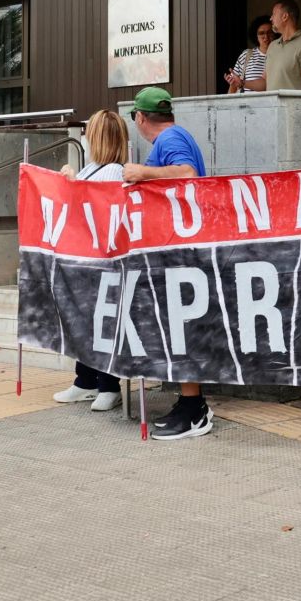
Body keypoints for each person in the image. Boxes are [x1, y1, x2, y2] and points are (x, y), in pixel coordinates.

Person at [123, 88, 211, 439]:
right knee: (179, 327)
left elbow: (188, 174)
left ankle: (195, 411)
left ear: (141, 117)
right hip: (178, 247)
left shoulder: (170, 139)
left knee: (182, 326)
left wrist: (142, 173)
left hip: (181, 249)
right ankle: (190, 403)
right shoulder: (177, 136)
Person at [55, 110, 131, 413]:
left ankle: (108, 385)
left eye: (89, 133)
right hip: (85, 257)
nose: (85, 138)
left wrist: (73, 184)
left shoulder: (112, 171)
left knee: (100, 323)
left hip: (102, 260)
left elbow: (96, 207)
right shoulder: (93, 168)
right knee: (84, 320)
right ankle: (85, 380)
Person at [263, 0, 301, 92]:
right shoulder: (272, 46)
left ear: (285, 16)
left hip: (292, 102)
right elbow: (264, 82)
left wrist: (298, 103)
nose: (271, 18)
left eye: (274, 14)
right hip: (271, 102)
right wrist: (242, 82)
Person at [223, 17, 273, 94]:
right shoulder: (246, 55)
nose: (266, 36)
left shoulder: (279, 55)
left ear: (275, 34)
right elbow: (233, 87)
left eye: (269, 32)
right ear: (256, 36)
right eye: (261, 33)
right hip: (247, 101)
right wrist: (233, 84)